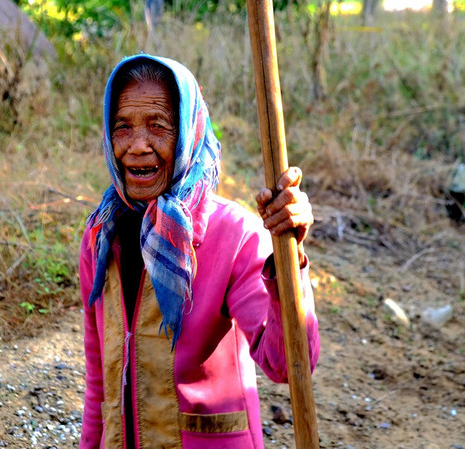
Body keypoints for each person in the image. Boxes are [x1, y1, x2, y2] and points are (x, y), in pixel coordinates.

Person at [78, 54, 320, 449]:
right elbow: (98, 386)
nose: (138, 146)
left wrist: (287, 256)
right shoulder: (100, 237)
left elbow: (287, 366)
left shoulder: (234, 234)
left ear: (188, 132)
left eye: (158, 127)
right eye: (123, 127)